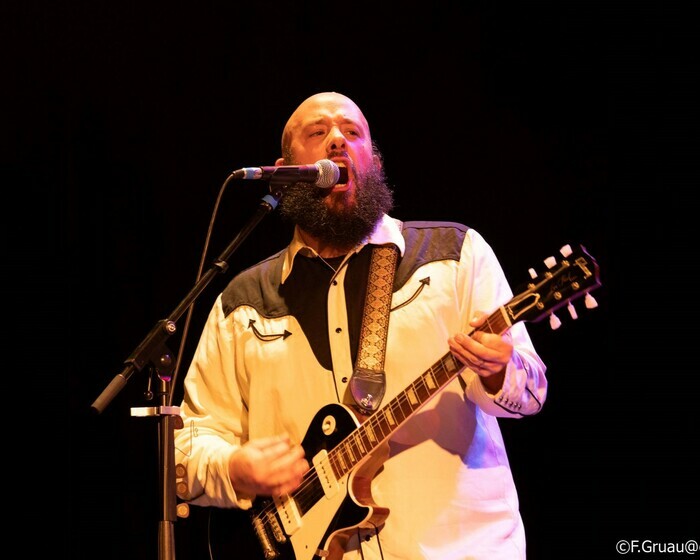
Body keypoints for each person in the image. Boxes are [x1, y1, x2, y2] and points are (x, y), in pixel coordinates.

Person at [173, 91, 548, 560]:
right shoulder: (242, 304)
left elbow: (531, 394)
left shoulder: (454, 254)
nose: (337, 141)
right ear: (285, 168)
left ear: (372, 158)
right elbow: (187, 445)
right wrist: (234, 468)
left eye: (353, 133)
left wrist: (499, 369)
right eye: (317, 132)